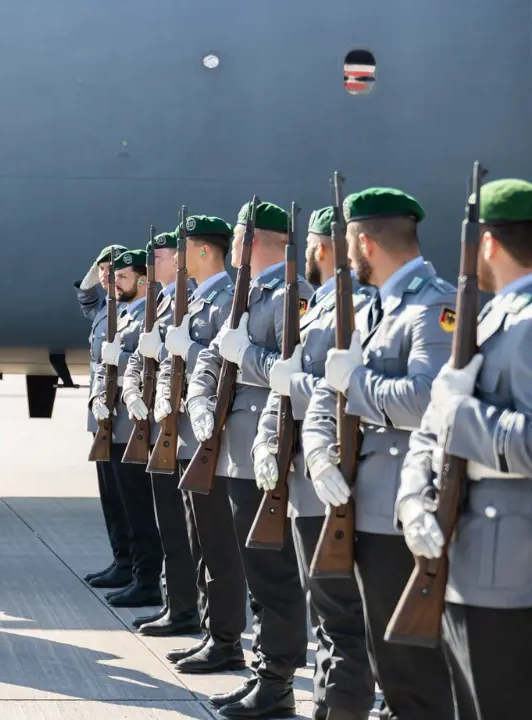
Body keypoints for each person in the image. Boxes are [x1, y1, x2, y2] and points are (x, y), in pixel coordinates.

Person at [301, 187, 456, 719]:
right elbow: (326, 393)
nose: (344, 257)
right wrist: (319, 453)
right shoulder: (374, 307)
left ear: (365, 242)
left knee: (412, 675)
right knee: (382, 659)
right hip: (362, 507)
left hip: (401, 512)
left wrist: (359, 385)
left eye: (347, 243)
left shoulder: (434, 306)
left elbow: (428, 400)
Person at [399, 177, 532, 720]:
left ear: (488, 244)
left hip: (511, 572)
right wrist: (411, 499)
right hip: (463, 554)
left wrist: (464, 415)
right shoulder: (490, 316)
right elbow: (429, 431)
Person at [187, 201, 313, 718]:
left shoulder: (293, 297)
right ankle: (265, 674)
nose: (232, 245)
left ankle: (278, 684)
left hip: (268, 455)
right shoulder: (248, 293)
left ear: (254, 240)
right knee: (255, 572)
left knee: (275, 575)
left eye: (238, 235)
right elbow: (215, 357)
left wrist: (249, 358)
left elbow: (295, 375)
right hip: (233, 455)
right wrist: (199, 400)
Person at [253, 206, 377, 720]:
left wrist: (286, 382)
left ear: (321, 248)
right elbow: (291, 391)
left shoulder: (359, 308)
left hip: (335, 478)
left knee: (342, 619)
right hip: (307, 476)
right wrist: (266, 442)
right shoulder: (321, 309)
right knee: (325, 617)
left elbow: (337, 393)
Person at [154, 215, 249, 674]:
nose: (177, 257)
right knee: (200, 542)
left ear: (204, 252)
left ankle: (227, 639)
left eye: (184, 248)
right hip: (191, 438)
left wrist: (185, 351)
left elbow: (223, 368)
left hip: (212, 438)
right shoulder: (194, 299)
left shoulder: (226, 298)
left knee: (218, 546)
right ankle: (213, 633)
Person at [121, 230, 200, 636]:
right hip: (157, 426)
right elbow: (139, 357)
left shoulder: (195, 298)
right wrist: (132, 391)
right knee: (168, 523)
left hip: (186, 428)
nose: (151, 264)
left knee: (190, 530)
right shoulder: (163, 301)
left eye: (159, 256)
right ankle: (178, 604)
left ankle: (191, 608)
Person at [95, 247, 163, 608]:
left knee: (139, 505)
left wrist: (118, 360)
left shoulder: (150, 315)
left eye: (122, 277)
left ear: (143, 280)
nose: (114, 283)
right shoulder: (122, 314)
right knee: (120, 501)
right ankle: (132, 569)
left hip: (136, 424)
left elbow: (150, 363)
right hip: (115, 422)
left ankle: (147, 577)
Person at [76, 243, 136, 593]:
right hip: (101, 418)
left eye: (112, 271)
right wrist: (99, 266)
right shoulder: (102, 308)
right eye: (102, 271)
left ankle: (132, 566)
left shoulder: (134, 308)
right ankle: (120, 559)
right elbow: (85, 293)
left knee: (127, 497)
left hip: (125, 416)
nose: (104, 277)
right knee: (110, 497)